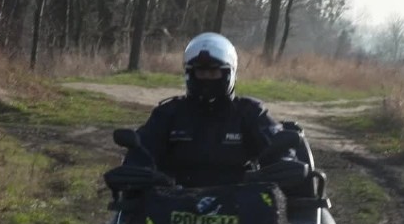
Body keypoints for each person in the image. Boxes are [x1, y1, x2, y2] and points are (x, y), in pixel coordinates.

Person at [123, 32, 292, 188]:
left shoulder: (250, 113)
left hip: (240, 205)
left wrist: (284, 162)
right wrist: (135, 168)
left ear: (229, 74)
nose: (206, 78)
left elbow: (277, 150)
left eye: (213, 72)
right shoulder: (168, 113)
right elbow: (142, 151)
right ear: (190, 74)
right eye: (201, 72)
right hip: (172, 203)